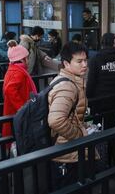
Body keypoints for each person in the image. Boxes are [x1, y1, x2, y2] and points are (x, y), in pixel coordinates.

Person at [48, 42, 89, 189]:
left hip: (67, 149)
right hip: (65, 153)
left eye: (85, 60)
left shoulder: (73, 81)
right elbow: (55, 120)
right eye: (79, 61)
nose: (84, 64)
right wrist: (79, 134)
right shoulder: (67, 86)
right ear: (66, 63)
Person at [2, 40, 37, 140]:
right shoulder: (19, 72)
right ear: (22, 59)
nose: (28, 60)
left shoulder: (13, 69)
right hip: (17, 112)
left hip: (12, 110)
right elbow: (10, 89)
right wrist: (22, 107)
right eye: (27, 57)